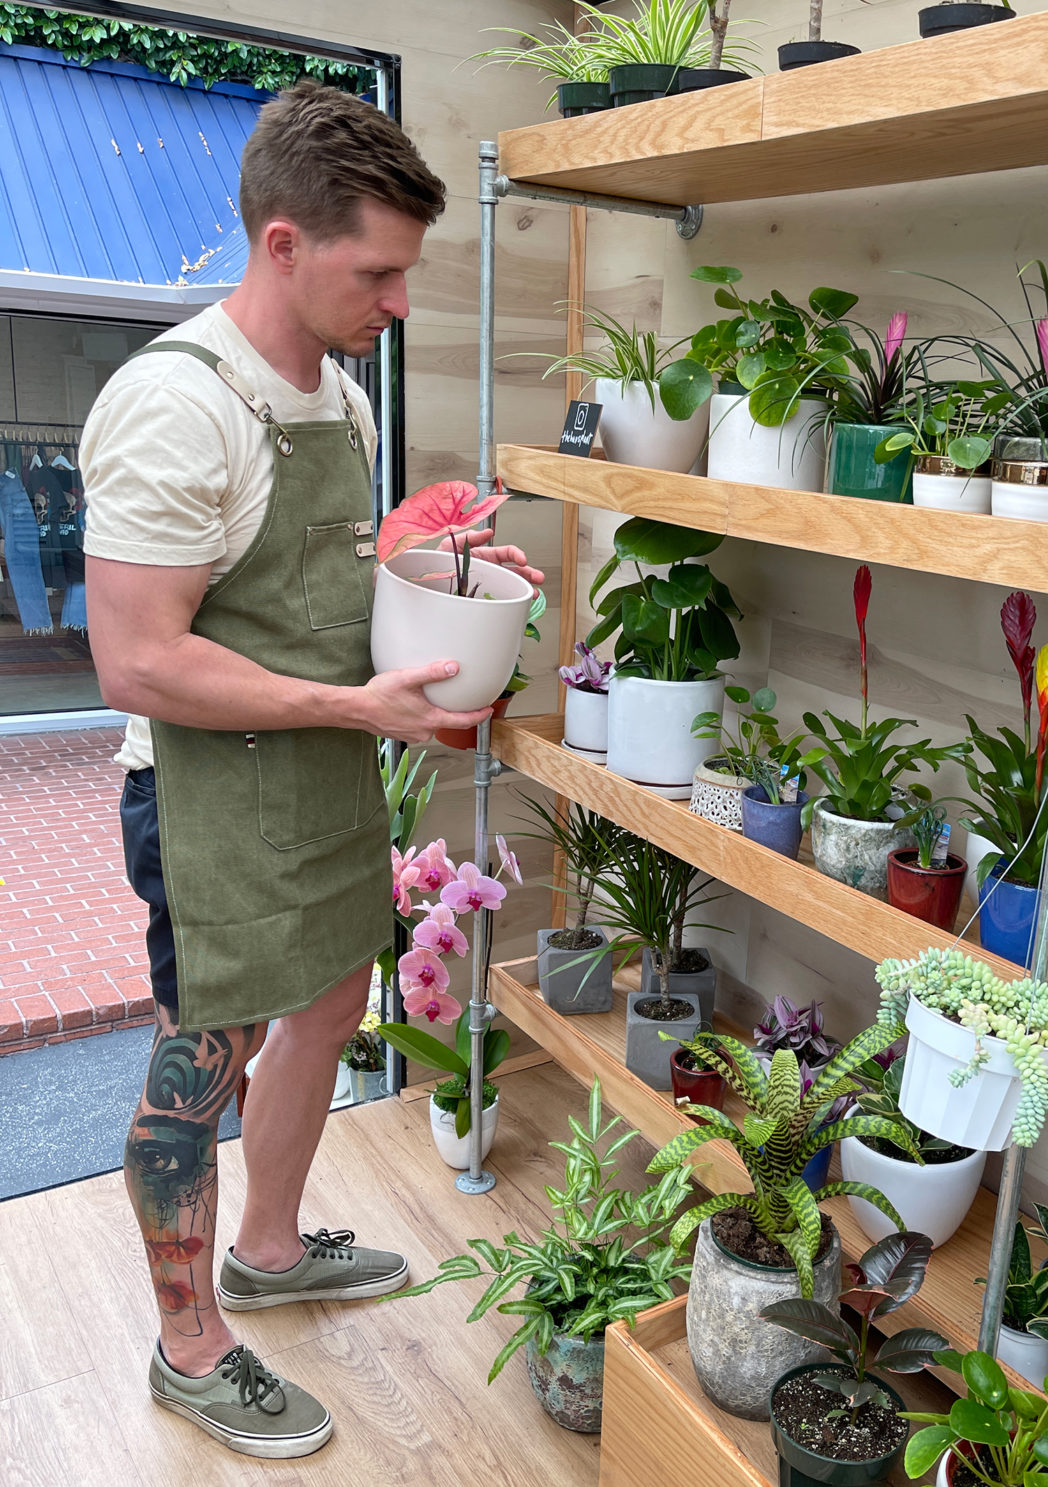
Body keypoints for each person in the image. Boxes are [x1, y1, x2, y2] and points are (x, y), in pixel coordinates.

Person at [83, 82, 542, 1459]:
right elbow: (140, 662)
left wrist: (445, 564)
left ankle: (268, 1250)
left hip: (327, 763)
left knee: (335, 994)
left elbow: (315, 575)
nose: (398, 301)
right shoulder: (176, 405)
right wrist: (347, 704)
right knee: (195, 1065)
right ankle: (188, 1346)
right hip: (208, 791)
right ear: (283, 244)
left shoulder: (334, 393)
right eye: (378, 270)